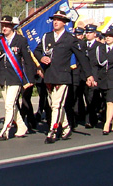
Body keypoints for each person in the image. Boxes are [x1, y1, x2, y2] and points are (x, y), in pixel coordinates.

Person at [33, 11, 94, 143]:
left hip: (62, 76)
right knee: (54, 104)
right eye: (54, 19)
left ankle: (52, 132)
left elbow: (82, 58)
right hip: (49, 76)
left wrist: (89, 75)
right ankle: (66, 126)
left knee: (56, 105)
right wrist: (41, 57)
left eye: (59, 20)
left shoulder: (70, 39)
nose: (56, 22)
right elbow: (37, 50)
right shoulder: (46, 37)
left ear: (65, 23)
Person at [0, 16, 36, 141]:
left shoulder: (20, 40)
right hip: (3, 77)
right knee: (11, 105)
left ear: (12, 26)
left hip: (15, 77)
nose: (4, 28)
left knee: (9, 105)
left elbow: (28, 61)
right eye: (3, 25)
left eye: (7, 25)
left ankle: (5, 131)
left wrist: (30, 79)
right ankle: (22, 126)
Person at [91, 24, 113, 134]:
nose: (107, 38)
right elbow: (96, 64)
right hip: (103, 79)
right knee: (109, 101)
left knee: (111, 101)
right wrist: (95, 78)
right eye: (106, 36)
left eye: (110, 36)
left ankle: (107, 123)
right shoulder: (100, 49)